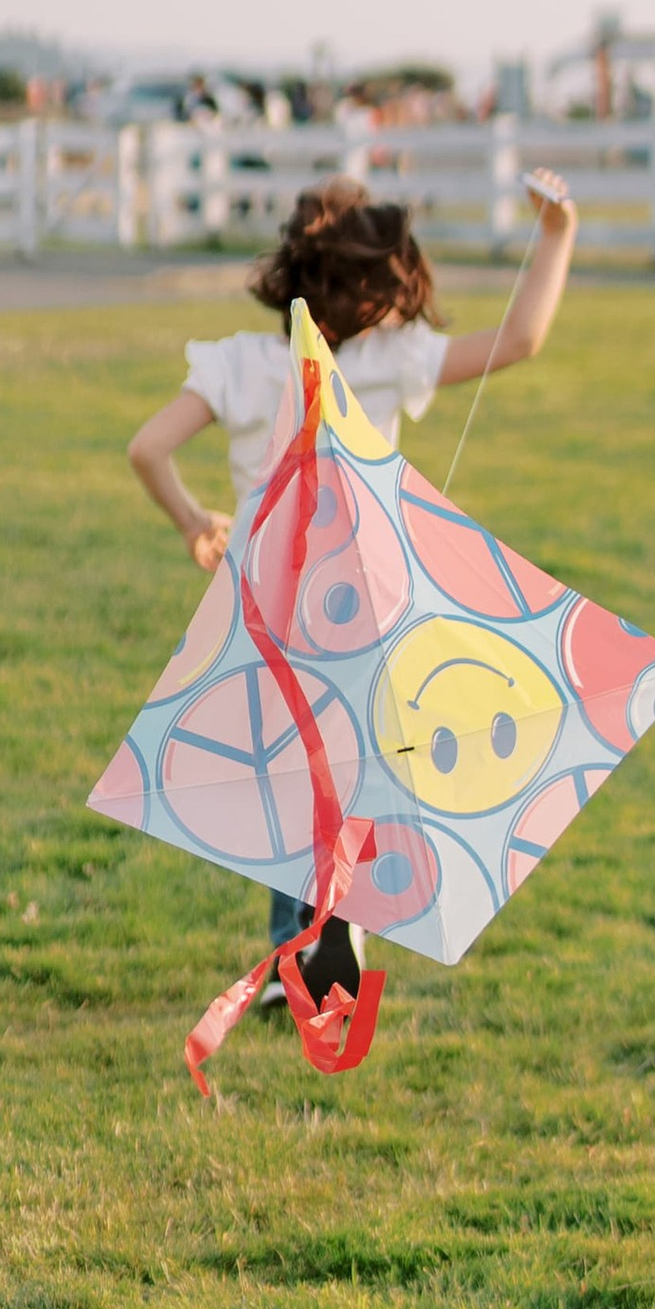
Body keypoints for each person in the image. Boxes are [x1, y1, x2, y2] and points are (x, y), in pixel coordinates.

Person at [125, 172, 577, 1007]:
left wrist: (195, 521)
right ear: (369, 294)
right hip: (368, 606)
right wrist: (556, 233)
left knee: (306, 779)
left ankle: (311, 944)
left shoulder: (238, 365)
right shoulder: (391, 360)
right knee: (359, 768)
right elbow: (520, 338)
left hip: (271, 612)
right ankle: (334, 929)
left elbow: (147, 447)